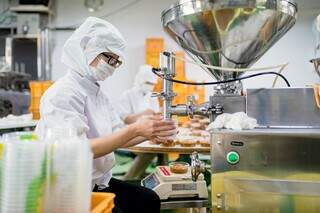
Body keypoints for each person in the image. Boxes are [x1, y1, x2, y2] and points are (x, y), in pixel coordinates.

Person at [35, 17, 177, 213]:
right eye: (108, 58)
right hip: (70, 189)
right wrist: (136, 128)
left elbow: (117, 133)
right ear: (86, 50)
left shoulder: (98, 94)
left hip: (97, 181)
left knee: (148, 199)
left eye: (116, 61)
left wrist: (148, 134)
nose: (112, 65)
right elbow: (76, 151)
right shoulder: (63, 93)